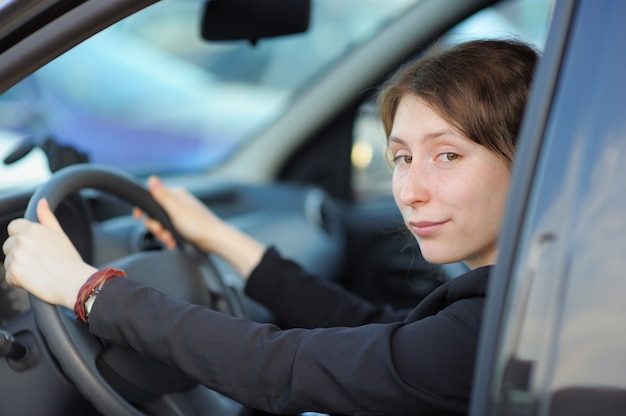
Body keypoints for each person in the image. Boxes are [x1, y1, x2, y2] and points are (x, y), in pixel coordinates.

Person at [2, 38, 538, 415]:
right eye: (401, 158)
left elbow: (280, 369)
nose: (411, 190)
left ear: (536, 159)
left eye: (446, 156)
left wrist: (86, 289)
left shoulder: (493, 331)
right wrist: (221, 238)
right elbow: (374, 331)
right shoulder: (526, 297)